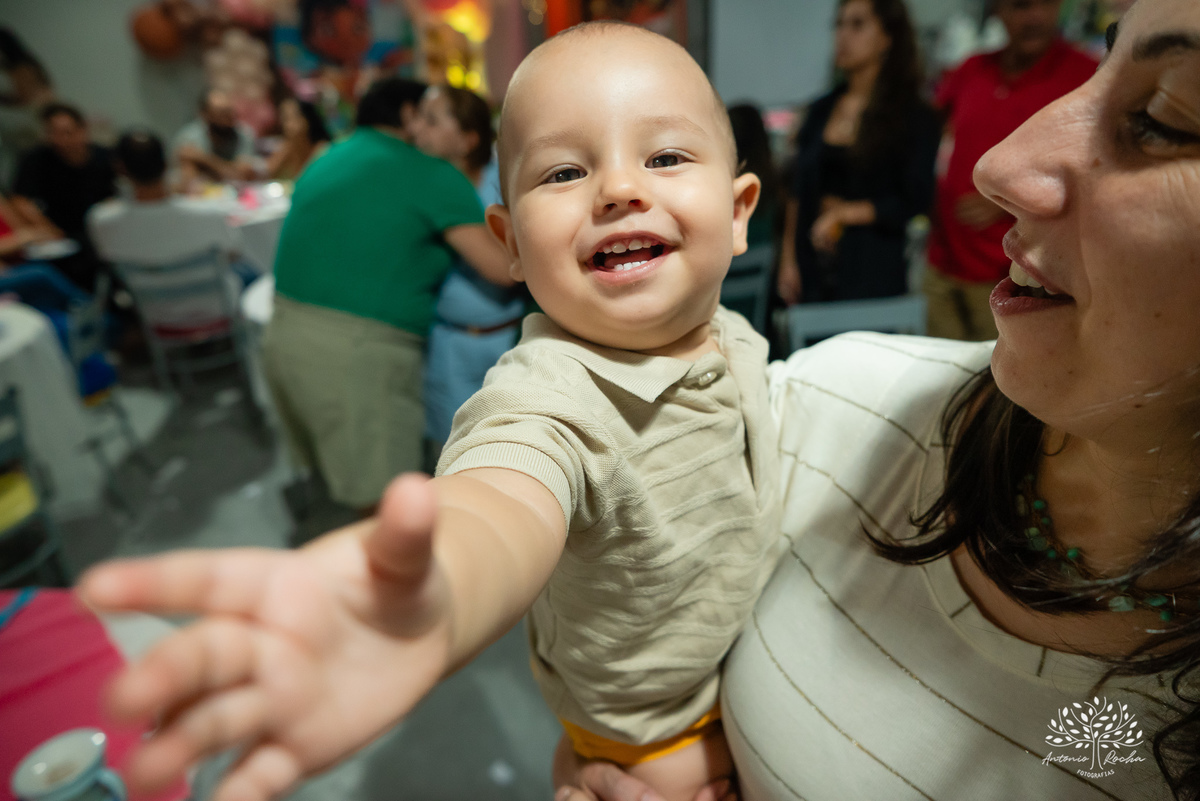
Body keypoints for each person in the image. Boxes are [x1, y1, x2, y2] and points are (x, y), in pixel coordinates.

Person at [78, 23, 775, 801]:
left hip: (756, 681)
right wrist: (437, 590)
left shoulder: (738, 341)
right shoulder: (551, 396)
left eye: (666, 156)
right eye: (565, 171)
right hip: (659, 748)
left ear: (739, 208)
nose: (618, 188)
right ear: (509, 243)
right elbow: (500, 502)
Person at [552, 0, 1200, 798]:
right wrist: (627, 749)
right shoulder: (841, 399)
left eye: (1165, 119)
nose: (998, 166)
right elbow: (627, 556)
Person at [261, 76, 512, 511]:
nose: (421, 133)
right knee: (383, 497)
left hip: (283, 333)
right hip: (352, 352)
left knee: (346, 476)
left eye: (435, 121)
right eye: (423, 118)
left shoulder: (333, 154)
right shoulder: (427, 172)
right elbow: (503, 269)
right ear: (405, 117)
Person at [924, 0, 1097, 340]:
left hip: (1016, 277)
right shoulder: (972, 69)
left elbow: (1092, 175)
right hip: (942, 264)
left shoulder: (1085, 76)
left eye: (1041, 5)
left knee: (1003, 387)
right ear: (998, 12)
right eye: (1019, 6)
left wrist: (1005, 195)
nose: (1032, 17)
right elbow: (928, 129)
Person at [776, 0, 940, 306]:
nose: (843, 36)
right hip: (811, 270)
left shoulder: (914, 116)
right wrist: (788, 260)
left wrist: (846, 213)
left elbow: (915, 198)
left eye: (857, 25)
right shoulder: (820, 110)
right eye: (839, 25)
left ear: (887, 37)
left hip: (872, 271)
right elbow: (798, 191)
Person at [412, 85, 525, 452]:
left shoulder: (503, 182)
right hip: (450, 343)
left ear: (467, 140)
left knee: (510, 447)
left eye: (431, 120)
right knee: (455, 450)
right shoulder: (421, 184)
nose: (417, 130)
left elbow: (507, 269)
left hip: (508, 340)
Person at [89, 131, 244, 269]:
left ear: (120, 169)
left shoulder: (101, 221)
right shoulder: (210, 213)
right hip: (216, 297)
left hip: (150, 300)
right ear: (167, 163)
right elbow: (233, 255)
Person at [12, 102, 116, 291]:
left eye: (67, 133)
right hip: (61, 237)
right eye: (53, 133)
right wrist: (46, 228)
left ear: (83, 130)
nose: (60, 140)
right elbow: (21, 200)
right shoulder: (37, 159)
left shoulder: (107, 157)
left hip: (104, 232)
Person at [173, 89, 259, 185]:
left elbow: (243, 176)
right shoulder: (189, 138)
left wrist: (204, 159)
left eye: (230, 112)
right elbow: (188, 182)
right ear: (205, 115)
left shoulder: (243, 135)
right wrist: (228, 168)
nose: (228, 120)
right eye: (221, 114)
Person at [264, 98, 331, 181]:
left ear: (308, 119)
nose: (289, 125)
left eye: (294, 117)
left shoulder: (323, 149)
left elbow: (313, 179)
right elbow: (267, 171)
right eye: (285, 118)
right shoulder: (288, 146)